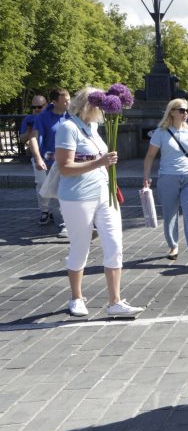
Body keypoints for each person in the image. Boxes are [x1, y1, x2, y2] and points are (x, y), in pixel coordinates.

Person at [54, 87, 143, 318]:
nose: (104, 111)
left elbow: (101, 159)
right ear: (89, 105)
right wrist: (99, 162)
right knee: (80, 247)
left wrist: (105, 166)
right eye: (100, 106)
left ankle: (115, 301)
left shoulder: (93, 128)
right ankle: (76, 297)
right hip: (77, 197)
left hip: (105, 194)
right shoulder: (68, 127)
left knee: (115, 245)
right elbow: (65, 167)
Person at [142, 99, 188, 267]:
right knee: (170, 214)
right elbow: (150, 156)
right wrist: (146, 176)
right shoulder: (161, 132)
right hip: (168, 177)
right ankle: (173, 246)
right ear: (172, 112)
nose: (185, 113)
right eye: (182, 110)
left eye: (187, 110)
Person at [29, 87, 71, 236]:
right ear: (54, 102)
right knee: (42, 188)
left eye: (69, 99)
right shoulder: (43, 116)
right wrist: (38, 158)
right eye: (65, 101)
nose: (68, 103)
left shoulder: (71, 115)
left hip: (63, 160)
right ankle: (45, 211)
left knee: (62, 189)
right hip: (44, 159)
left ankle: (65, 223)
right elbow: (33, 137)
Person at [21, 95, 49, 224]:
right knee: (41, 183)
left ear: (46, 105)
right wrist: (29, 130)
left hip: (55, 156)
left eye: (39, 106)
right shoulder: (29, 119)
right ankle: (45, 211)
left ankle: (60, 213)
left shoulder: (52, 116)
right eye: (34, 107)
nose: (37, 109)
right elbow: (22, 139)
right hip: (38, 157)